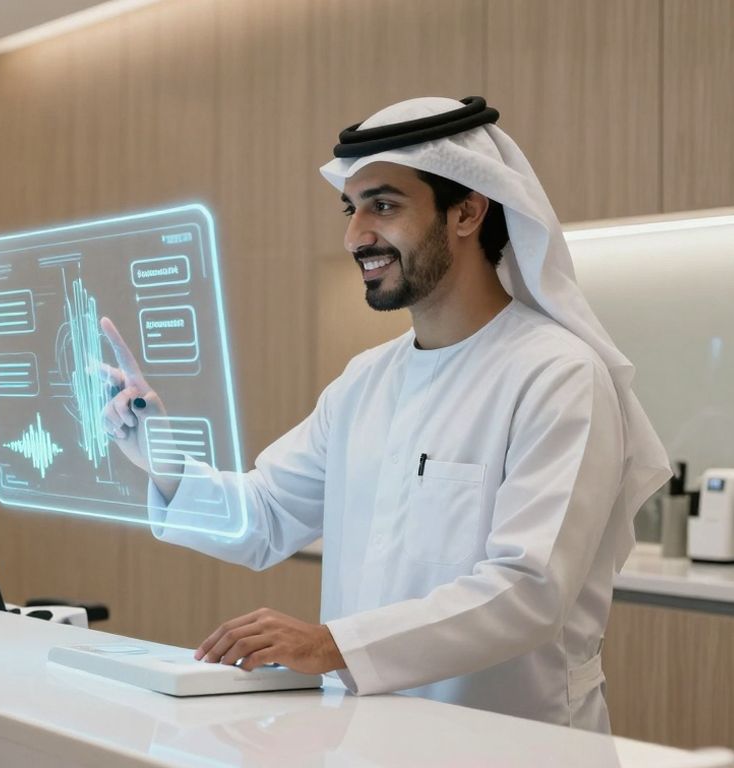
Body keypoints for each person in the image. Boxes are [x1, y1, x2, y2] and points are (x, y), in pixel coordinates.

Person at [99, 97, 669, 731]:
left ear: (468, 210)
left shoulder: (557, 374)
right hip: (369, 737)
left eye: (385, 205)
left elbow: (528, 591)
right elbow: (263, 513)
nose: (355, 235)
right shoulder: (364, 382)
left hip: (511, 742)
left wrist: (332, 646)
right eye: (352, 207)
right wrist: (163, 457)